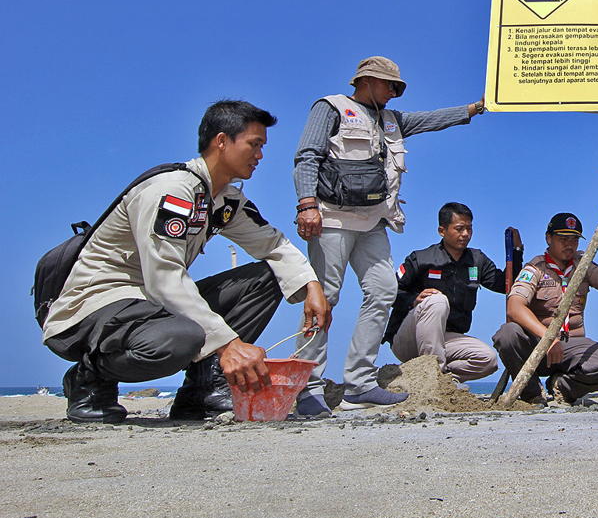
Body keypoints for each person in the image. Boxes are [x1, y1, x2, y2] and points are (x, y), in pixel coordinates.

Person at [41, 100, 331, 424]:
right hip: (96, 304)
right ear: (222, 142)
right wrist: (229, 345)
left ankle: (202, 393)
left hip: (149, 304)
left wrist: (311, 287)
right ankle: (88, 378)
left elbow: (273, 244)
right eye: (254, 144)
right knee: (182, 338)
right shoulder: (172, 192)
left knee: (270, 275)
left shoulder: (223, 199)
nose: (260, 155)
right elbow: (164, 279)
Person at [292, 56, 485, 415]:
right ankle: (307, 386)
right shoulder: (331, 107)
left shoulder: (392, 121)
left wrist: (474, 108)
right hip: (331, 218)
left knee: (382, 291)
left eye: (397, 88)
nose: (394, 93)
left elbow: (429, 120)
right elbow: (306, 156)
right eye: (389, 86)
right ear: (366, 81)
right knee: (325, 298)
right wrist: (307, 204)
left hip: (373, 222)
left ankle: (360, 385)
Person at [492, 213, 598, 404]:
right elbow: (514, 307)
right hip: (538, 346)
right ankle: (532, 394)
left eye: (574, 239)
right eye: (563, 239)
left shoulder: (583, 264)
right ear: (548, 238)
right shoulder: (535, 268)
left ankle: (563, 387)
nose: (569, 244)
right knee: (507, 334)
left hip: (572, 345)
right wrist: (548, 338)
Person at [382, 202, 507, 383]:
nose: (465, 234)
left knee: (488, 360)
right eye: (459, 228)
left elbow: (505, 285)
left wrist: (517, 252)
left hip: (446, 338)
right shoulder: (421, 258)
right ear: (442, 230)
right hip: (408, 339)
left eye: (469, 229)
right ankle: (432, 378)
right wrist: (413, 299)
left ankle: (443, 381)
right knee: (437, 301)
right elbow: (389, 292)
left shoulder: (477, 260)